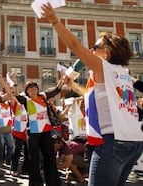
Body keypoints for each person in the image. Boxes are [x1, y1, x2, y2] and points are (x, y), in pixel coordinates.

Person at [42, 3, 143, 186]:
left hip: (113, 141)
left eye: (96, 47)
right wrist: (73, 86)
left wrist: (54, 20)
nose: (92, 50)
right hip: (134, 141)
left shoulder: (103, 66)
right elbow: (97, 96)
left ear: (108, 52)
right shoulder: (124, 74)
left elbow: (75, 45)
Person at [20, 79, 65, 186]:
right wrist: (13, 84)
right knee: (34, 159)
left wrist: (62, 80)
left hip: (45, 131)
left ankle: (52, 182)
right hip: (33, 132)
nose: (33, 89)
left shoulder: (43, 96)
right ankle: (36, 183)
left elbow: (56, 90)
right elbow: (15, 96)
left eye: (35, 86)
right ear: (26, 91)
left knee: (50, 156)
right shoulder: (25, 100)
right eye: (30, 87)